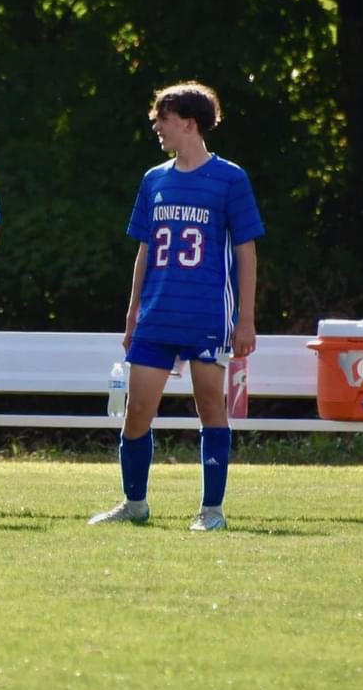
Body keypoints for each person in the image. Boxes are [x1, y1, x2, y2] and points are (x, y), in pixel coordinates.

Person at [89, 82, 263, 531]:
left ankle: (211, 511)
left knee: (211, 408)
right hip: (157, 315)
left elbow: (246, 251)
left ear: (189, 122)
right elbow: (145, 251)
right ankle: (134, 503)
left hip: (206, 315)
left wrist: (246, 319)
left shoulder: (230, 178)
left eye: (162, 118)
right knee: (136, 412)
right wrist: (132, 313)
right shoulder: (154, 179)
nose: (156, 126)